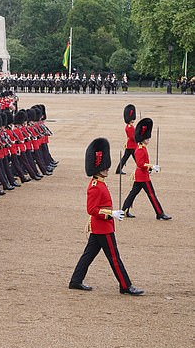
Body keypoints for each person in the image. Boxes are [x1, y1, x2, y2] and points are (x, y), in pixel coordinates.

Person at [69, 138, 144, 296]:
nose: (107, 169)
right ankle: (125, 285)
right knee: (114, 257)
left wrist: (114, 213)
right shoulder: (95, 187)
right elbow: (92, 209)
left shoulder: (100, 183)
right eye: (105, 167)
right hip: (103, 227)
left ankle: (75, 281)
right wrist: (112, 213)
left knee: (88, 255)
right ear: (99, 169)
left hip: (100, 228)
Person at [122, 118, 171, 221]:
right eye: (147, 138)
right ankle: (160, 213)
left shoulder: (142, 148)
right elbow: (140, 164)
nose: (148, 140)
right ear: (143, 139)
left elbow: (143, 163)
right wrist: (151, 166)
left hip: (141, 175)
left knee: (133, 193)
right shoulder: (140, 149)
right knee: (152, 195)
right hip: (142, 177)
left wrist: (151, 168)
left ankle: (124, 210)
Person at [115, 104, 136, 176]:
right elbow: (132, 137)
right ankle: (143, 169)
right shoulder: (130, 127)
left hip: (130, 145)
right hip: (132, 145)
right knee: (137, 159)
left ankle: (118, 169)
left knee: (125, 158)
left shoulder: (130, 126)